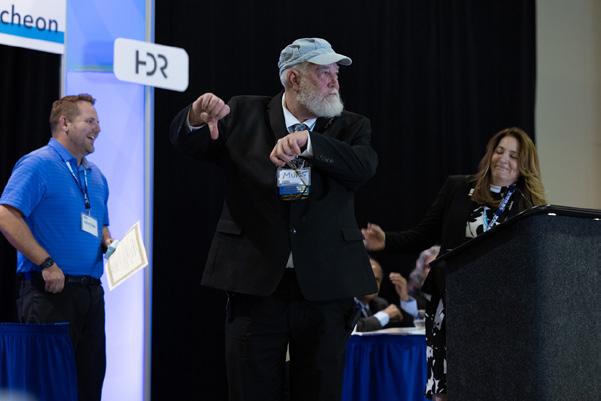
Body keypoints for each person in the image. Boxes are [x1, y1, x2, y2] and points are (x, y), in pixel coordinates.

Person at [169, 37, 378, 401]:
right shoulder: (242, 113)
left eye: (336, 73)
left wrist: (308, 144)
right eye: (324, 73)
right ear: (294, 79)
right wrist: (194, 119)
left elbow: (364, 166)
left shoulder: (351, 126)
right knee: (250, 388)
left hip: (326, 287)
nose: (335, 81)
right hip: (256, 283)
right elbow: (190, 144)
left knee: (320, 390)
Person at [362, 127, 546, 401]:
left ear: (525, 166)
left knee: (490, 387)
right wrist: (386, 240)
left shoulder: (528, 205)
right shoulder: (458, 187)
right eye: (499, 151)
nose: (503, 159)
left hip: (499, 309)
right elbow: (423, 234)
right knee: (445, 390)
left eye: (514, 155)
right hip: (450, 302)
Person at [0, 94, 113, 401]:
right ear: (65, 123)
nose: (98, 128)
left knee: (89, 387)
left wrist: (108, 241)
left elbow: (100, 224)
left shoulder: (96, 176)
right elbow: (6, 215)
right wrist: (46, 263)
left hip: (91, 296)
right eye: (90, 121)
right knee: (46, 390)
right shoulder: (37, 164)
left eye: (98, 122)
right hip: (49, 294)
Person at [354, 258, 404, 332]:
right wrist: (383, 316)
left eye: (377, 280)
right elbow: (351, 330)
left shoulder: (380, 304)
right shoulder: (342, 305)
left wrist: (404, 298)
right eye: (368, 278)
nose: (372, 283)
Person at [389, 245, 441, 314]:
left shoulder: (451, 291)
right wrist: (404, 295)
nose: (433, 270)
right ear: (422, 270)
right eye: (428, 266)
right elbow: (415, 316)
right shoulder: (416, 295)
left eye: (437, 265)